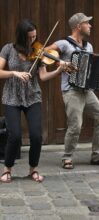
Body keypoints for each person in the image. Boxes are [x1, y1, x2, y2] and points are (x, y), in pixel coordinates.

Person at [0, 19, 69, 183]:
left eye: (35, 37)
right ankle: (7, 169)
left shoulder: (38, 52)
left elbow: (43, 77)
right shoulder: (8, 49)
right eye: (29, 38)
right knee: (15, 135)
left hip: (32, 96)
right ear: (21, 36)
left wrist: (58, 70)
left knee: (37, 136)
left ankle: (33, 169)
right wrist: (14, 73)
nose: (33, 41)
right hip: (12, 97)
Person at [46, 12, 99, 169]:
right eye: (87, 23)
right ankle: (67, 157)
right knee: (75, 125)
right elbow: (46, 52)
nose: (90, 26)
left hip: (86, 90)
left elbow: (92, 67)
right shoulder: (64, 44)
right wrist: (61, 63)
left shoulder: (88, 46)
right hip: (71, 91)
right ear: (78, 26)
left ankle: (98, 155)